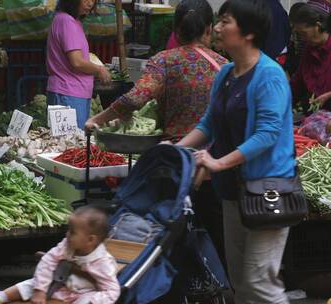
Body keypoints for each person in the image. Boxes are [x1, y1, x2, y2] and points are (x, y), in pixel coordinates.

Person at [175, 0, 294, 302]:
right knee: (240, 281)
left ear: (249, 32)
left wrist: (218, 162)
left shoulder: (269, 75)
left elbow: (267, 134)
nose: (216, 28)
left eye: (225, 21)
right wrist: (175, 149)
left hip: (267, 192)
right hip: (232, 192)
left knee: (259, 282)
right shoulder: (226, 73)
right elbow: (208, 125)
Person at [86, 0, 227, 140]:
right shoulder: (224, 65)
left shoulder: (164, 61)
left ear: (176, 30)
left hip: (175, 151)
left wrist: (97, 119)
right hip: (216, 155)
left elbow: (135, 99)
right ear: (209, 29)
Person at [0, 206, 120, 304]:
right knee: (31, 284)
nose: (67, 235)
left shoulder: (103, 262)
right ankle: (1, 297)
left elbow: (112, 291)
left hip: (83, 292)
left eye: (72, 232)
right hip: (59, 283)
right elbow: (47, 261)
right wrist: (40, 290)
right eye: (68, 230)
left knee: (87, 300)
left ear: (91, 240)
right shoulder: (67, 245)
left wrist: (95, 301)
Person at [46, 0, 111, 129]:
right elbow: (76, 61)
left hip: (72, 93)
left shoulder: (71, 21)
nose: (90, 4)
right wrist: (99, 70)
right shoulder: (66, 22)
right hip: (68, 93)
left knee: (72, 143)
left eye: (93, 0)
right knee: (71, 143)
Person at [290, 0, 331, 112]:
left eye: (303, 33)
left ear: (317, 26)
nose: (302, 38)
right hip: (318, 118)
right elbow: (297, 83)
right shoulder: (309, 49)